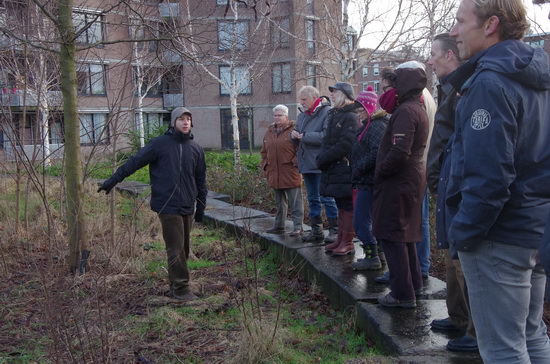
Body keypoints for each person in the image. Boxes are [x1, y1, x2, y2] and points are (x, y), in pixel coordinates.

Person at [447, 0, 550, 362]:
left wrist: (465, 233)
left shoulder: (490, 83)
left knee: (503, 348)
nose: (454, 32)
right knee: (531, 334)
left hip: (498, 236)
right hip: (535, 228)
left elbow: (489, 176)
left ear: (491, 24)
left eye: (460, 22)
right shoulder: (538, 77)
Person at [98, 107, 207, 302]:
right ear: (173, 122)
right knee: (176, 248)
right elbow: (134, 162)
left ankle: (177, 284)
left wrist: (201, 205)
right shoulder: (159, 144)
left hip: (188, 205)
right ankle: (181, 289)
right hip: (167, 204)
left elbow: (200, 180)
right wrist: (112, 180)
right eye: (181, 119)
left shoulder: (196, 149)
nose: (185, 122)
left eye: (188, 119)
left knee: (184, 247)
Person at [426, 33, 478, 353]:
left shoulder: (464, 90)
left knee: (461, 261)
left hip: (457, 186)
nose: (429, 60)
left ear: (449, 56)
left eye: (433, 54)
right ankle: (458, 318)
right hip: (446, 184)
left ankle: (475, 328)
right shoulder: (447, 90)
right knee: (449, 256)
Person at [373, 61, 429, 308]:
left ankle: (401, 293)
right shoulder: (416, 107)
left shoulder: (407, 110)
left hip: (399, 182)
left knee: (394, 234)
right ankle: (413, 285)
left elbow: (399, 152)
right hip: (409, 179)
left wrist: (381, 172)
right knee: (406, 235)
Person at [291, 86, 339, 243]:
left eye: (304, 99)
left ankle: (334, 230)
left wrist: (304, 136)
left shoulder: (327, 113)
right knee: (312, 198)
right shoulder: (302, 115)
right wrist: (293, 136)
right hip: (306, 163)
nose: (301, 102)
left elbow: (326, 136)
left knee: (327, 198)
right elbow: (297, 134)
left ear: (314, 98)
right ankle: (316, 230)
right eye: (301, 99)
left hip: (320, 163)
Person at [316, 82, 358, 256]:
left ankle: (347, 242)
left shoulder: (350, 116)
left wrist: (324, 158)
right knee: (340, 202)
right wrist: (322, 156)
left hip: (344, 166)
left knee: (347, 203)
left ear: (344, 94)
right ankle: (340, 239)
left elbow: (345, 144)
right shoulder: (335, 114)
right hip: (335, 166)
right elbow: (326, 140)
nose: (331, 95)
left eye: (335, 92)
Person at [349, 87, 389, 270]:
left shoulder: (375, 127)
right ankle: (377, 256)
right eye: (356, 111)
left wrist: (358, 168)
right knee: (366, 220)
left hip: (369, 181)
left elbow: (377, 152)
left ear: (369, 108)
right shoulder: (369, 126)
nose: (358, 114)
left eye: (360, 110)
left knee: (361, 221)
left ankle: (372, 257)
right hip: (365, 180)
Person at [261, 105, 304, 236]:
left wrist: (295, 162)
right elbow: (264, 151)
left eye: (279, 115)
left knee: (295, 202)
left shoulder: (294, 130)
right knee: (279, 203)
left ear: (286, 116)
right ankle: (279, 225)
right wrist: (265, 164)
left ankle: (298, 227)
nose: (277, 118)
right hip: (274, 172)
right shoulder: (269, 132)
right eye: (275, 115)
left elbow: (301, 149)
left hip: (290, 171)